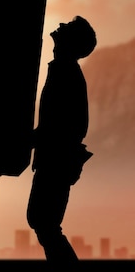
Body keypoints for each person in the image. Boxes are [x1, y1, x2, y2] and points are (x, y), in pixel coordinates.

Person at [27, 15, 96, 263]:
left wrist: (31, 140)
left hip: (56, 160)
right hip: (56, 159)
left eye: (68, 26)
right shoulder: (63, 69)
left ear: (71, 41)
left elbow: (59, 124)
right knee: (43, 222)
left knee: (44, 223)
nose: (61, 26)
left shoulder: (65, 72)